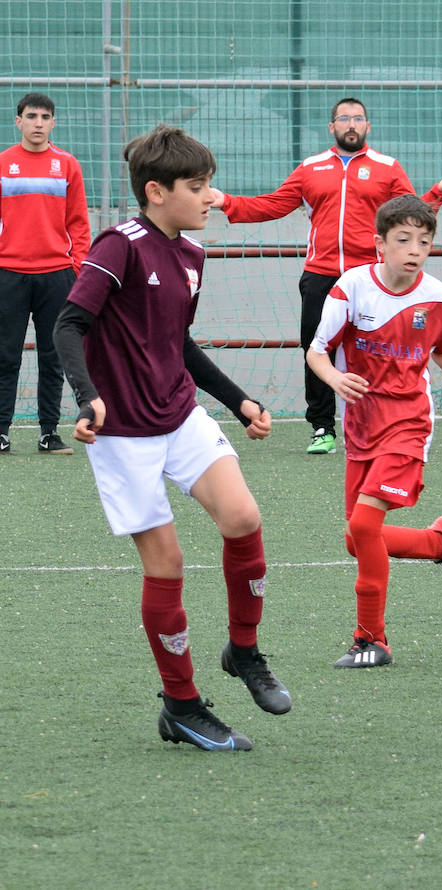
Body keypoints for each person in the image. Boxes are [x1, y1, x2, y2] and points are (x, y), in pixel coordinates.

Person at [51, 125, 291, 752]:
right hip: (124, 432)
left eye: (209, 184)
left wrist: (238, 400)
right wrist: (86, 397)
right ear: (155, 192)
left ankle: (243, 650)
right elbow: (70, 324)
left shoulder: (191, 254)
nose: (211, 197)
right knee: (169, 565)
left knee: (243, 518)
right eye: (198, 186)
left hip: (178, 414)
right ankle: (181, 706)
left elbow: (177, 343)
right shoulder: (119, 245)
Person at [209, 96, 442, 455]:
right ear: (332, 127)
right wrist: (225, 201)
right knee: (317, 349)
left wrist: (438, 193)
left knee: (369, 351)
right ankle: (322, 428)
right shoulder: (310, 167)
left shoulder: (387, 167)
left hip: (369, 278)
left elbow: (410, 214)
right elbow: (274, 204)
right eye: (344, 118)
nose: (352, 124)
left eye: (358, 118)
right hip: (319, 275)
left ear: (368, 126)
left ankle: (372, 422)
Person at [306, 193, 442, 668]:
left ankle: (371, 640)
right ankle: (440, 543)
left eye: (424, 242)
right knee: (355, 538)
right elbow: (317, 351)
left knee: (366, 526)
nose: (414, 249)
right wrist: (334, 379)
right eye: (404, 239)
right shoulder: (351, 288)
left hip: (409, 423)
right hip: (360, 424)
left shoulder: (439, 297)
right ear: (380, 245)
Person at [0, 92, 91, 455]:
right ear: (18, 121)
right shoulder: (3, 163)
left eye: (45, 117)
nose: (38, 123)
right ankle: (2, 431)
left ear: (53, 123)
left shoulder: (67, 165)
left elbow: (79, 223)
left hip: (57, 276)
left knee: (53, 356)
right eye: (31, 116)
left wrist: (77, 269)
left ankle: (49, 433)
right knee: (5, 356)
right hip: (9, 274)